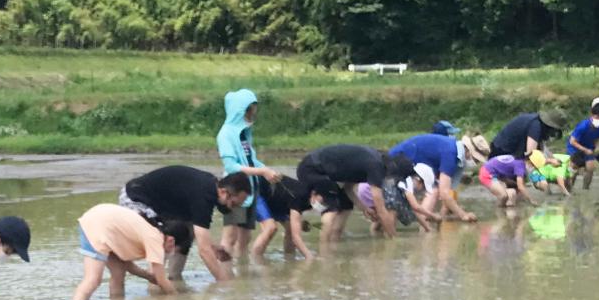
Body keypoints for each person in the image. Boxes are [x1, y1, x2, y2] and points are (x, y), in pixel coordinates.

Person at [120, 165, 244, 283]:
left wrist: (213, 248)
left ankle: (175, 278)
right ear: (223, 192)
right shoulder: (204, 196)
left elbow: (198, 234)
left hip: (159, 205)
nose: (232, 209)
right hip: (134, 198)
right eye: (233, 204)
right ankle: (155, 284)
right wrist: (223, 281)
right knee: (161, 240)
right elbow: (203, 251)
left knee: (186, 234)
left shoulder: (212, 188)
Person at [72, 203, 183, 300]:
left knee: (118, 274)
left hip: (104, 222)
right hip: (97, 225)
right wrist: (175, 297)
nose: (172, 253)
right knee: (93, 279)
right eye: (175, 249)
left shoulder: (148, 231)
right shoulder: (155, 239)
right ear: (171, 241)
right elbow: (161, 280)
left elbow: (127, 266)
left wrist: (148, 276)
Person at [214, 89, 279, 257]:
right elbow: (231, 166)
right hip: (234, 192)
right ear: (241, 110)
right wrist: (262, 171)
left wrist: (268, 170)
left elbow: (251, 159)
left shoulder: (243, 133)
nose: (253, 114)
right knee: (230, 237)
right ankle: (225, 276)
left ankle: (242, 275)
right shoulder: (226, 134)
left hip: (250, 189)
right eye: (250, 110)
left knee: (245, 237)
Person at [294, 144, 398, 240]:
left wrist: (364, 208)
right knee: (332, 208)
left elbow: (348, 189)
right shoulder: (376, 167)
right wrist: (393, 239)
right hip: (312, 169)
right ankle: (324, 252)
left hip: (325, 173)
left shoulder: (368, 164)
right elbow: (381, 210)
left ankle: (333, 243)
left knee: (346, 205)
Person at [387, 128, 476, 223]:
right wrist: (463, 215)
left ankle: (382, 227)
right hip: (400, 159)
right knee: (433, 190)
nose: (475, 162)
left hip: (405, 158)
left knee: (393, 198)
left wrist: (445, 213)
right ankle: (424, 226)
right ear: (467, 152)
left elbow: (448, 190)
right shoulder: (451, 154)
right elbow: (444, 193)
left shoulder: (454, 150)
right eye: (475, 159)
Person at [490, 108, 571, 160]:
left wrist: (552, 158)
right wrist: (549, 161)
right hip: (502, 152)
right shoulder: (535, 127)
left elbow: (542, 147)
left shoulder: (538, 123)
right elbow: (531, 153)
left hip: (508, 150)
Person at [566, 100, 599, 187]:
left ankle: (586, 188)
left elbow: (598, 137)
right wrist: (585, 150)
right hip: (575, 148)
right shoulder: (583, 126)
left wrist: (598, 146)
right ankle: (569, 188)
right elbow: (572, 141)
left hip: (589, 146)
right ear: (593, 115)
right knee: (574, 169)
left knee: (590, 168)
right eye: (598, 117)